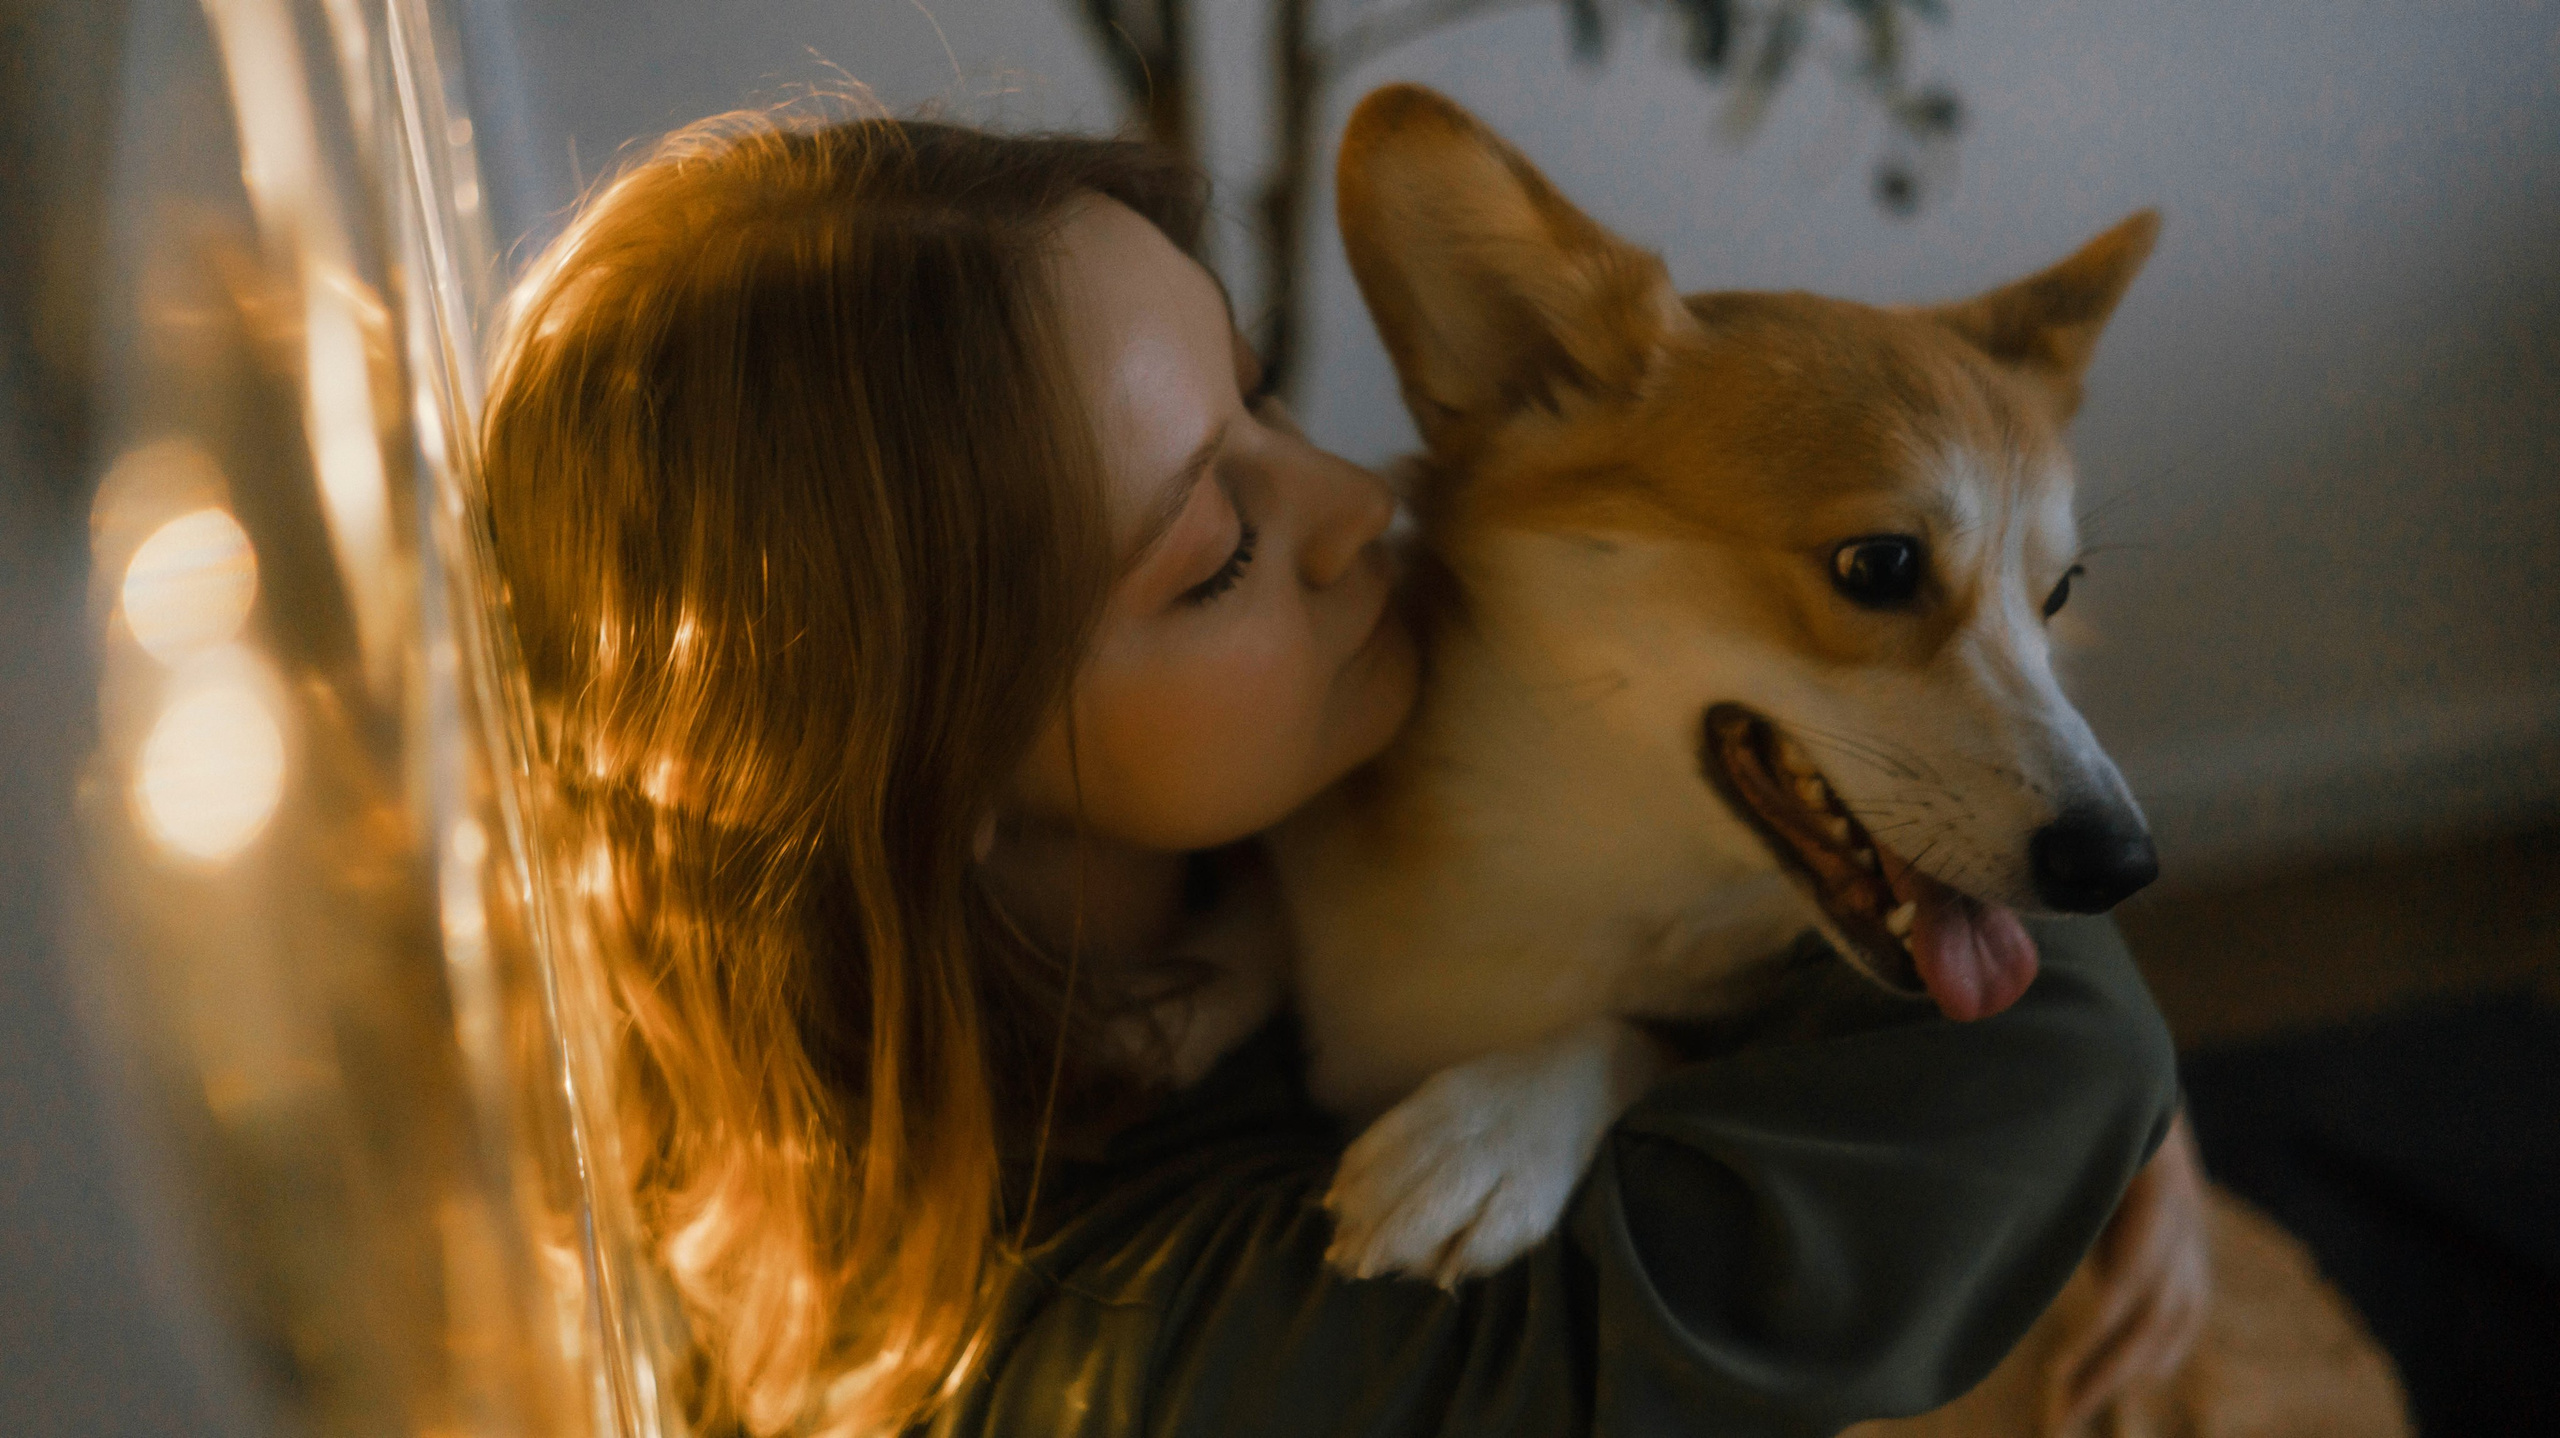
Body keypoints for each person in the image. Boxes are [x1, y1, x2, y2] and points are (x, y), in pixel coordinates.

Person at [480, 108, 2200, 1438]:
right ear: (937, 773)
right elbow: (2052, 1066)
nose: (1367, 499)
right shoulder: (1167, 1342)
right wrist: (2088, 1059)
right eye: (1218, 545)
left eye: (1265, 394)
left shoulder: (1238, 804)